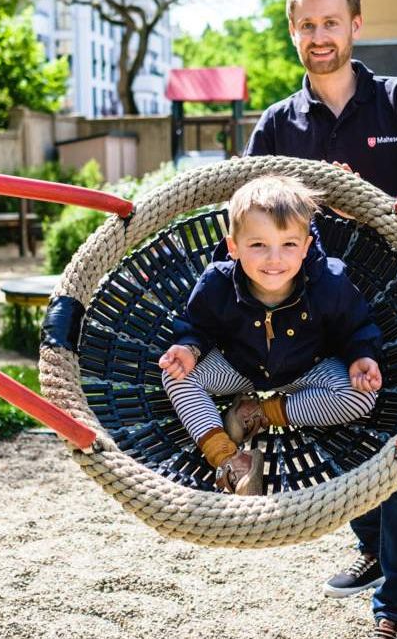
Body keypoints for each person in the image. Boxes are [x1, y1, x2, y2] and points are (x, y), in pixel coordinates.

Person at [243, 0, 397, 638]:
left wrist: (368, 203)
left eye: (330, 23)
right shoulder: (278, 123)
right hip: (312, 310)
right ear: (293, 33)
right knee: (336, 436)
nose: (319, 36)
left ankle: (394, 605)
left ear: (355, 26)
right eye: (307, 25)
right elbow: (246, 210)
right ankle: (370, 547)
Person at [159, 175, 383, 495]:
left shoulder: (329, 283)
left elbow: (356, 326)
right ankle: (230, 458)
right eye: (258, 245)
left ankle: (259, 413)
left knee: (361, 396)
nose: (274, 259)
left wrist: (361, 355)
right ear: (234, 247)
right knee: (175, 376)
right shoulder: (217, 282)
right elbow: (197, 325)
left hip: (305, 370)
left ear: (305, 247)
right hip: (238, 367)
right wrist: (189, 349)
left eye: (288, 244)